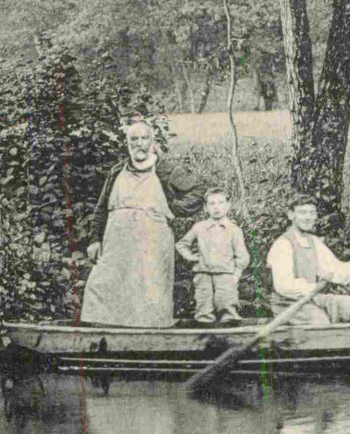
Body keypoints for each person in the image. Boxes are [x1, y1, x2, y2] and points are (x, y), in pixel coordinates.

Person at [80, 118, 206, 327]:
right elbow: (101, 208)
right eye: (134, 139)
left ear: (153, 141)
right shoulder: (116, 171)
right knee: (101, 285)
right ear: (127, 142)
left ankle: (149, 343)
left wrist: (175, 207)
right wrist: (94, 239)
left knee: (149, 293)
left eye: (144, 138)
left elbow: (198, 190)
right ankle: (106, 341)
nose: (139, 144)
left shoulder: (166, 170)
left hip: (152, 242)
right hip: (117, 242)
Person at [265, 195, 350, 325]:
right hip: (286, 304)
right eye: (302, 212)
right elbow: (283, 286)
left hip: (310, 298)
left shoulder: (313, 241)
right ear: (291, 215)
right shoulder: (283, 244)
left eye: (311, 213)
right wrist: (313, 287)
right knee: (320, 323)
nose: (308, 217)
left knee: (349, 306)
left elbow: (333, 268)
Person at [175, 189, 251, 325]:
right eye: (212, 203)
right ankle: (204, 338)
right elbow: (182, 244)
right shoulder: (199, 227)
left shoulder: (234, 230)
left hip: (225, 275)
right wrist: (191, 257)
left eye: (221, 203)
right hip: (203, 274)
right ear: (205, 208)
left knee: (227, 307)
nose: (217, 207)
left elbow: (242, 255)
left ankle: (231, 337)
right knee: (203, 309)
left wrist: (236, 274)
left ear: (228, 205)